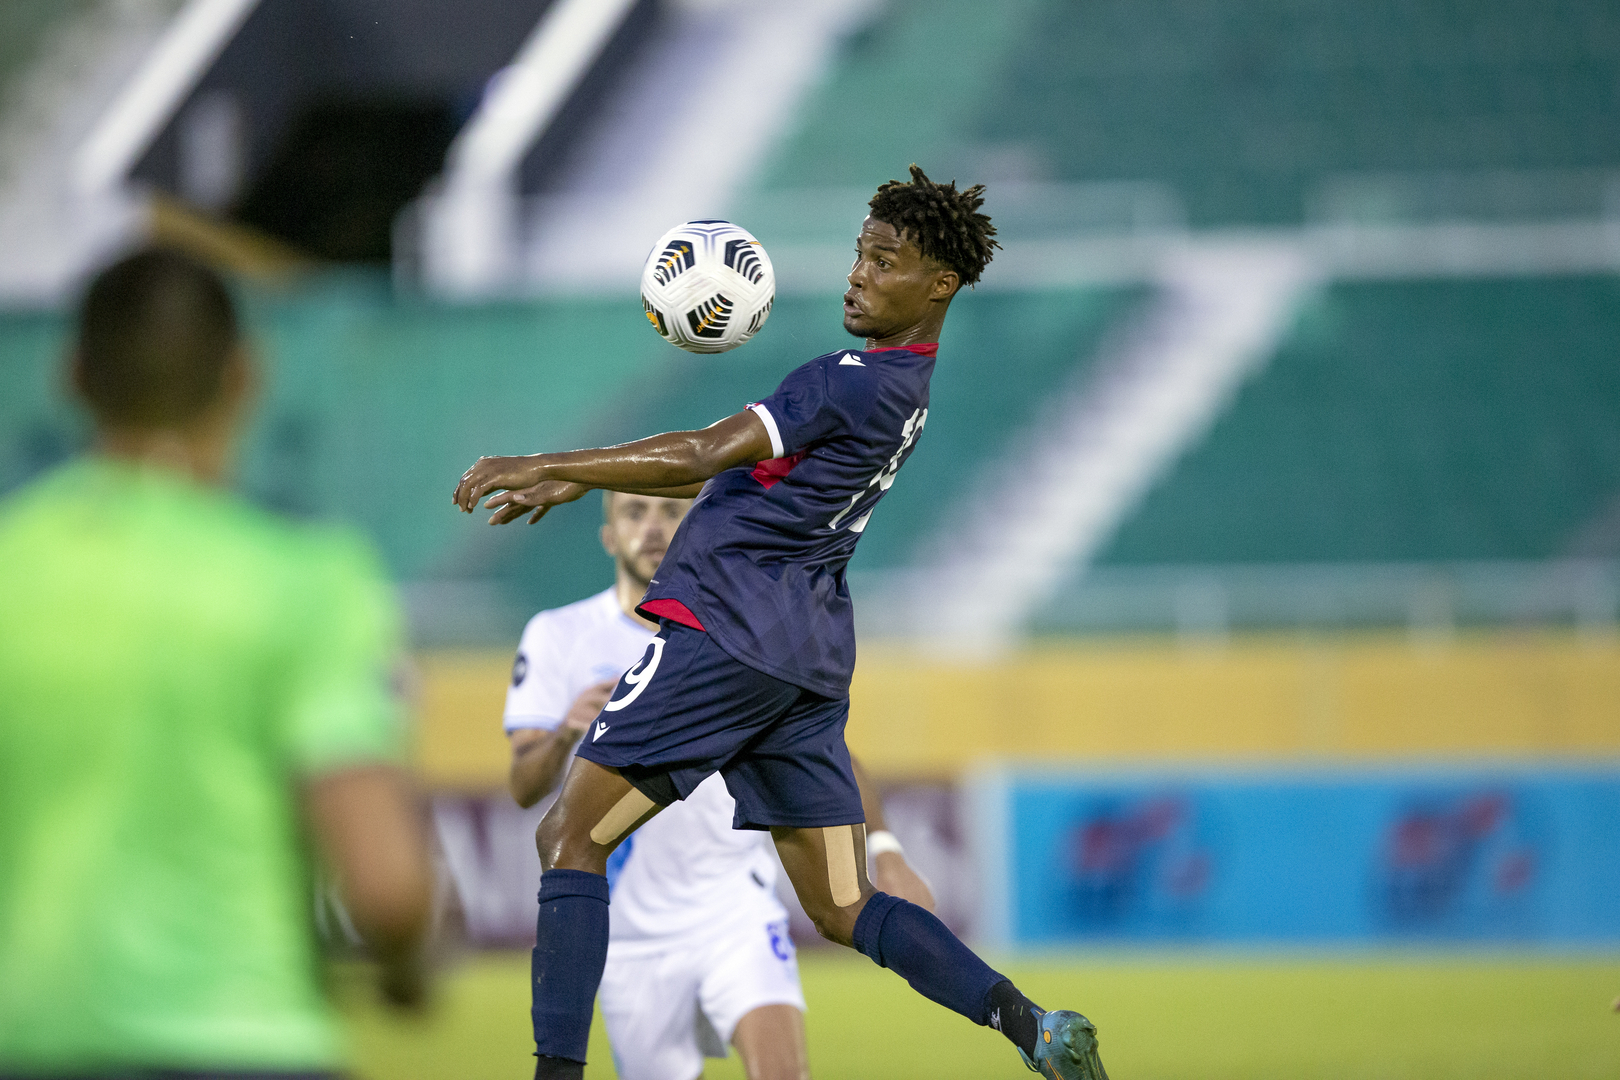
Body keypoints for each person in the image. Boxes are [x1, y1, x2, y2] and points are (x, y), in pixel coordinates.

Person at [455, 166, 1107, 1080]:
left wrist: (539, 459)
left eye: (885, 261)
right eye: (859, 254)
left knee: (570, 837)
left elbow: (695, 450)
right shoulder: (905, 388)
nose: (857, 275)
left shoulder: (848, 378)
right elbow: (716, 475)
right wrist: (589, 479)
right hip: (804, 655)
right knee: (844, 906)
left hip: (725, 625)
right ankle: (1025, 1021)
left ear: (940, 285)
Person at [0, 248, 434, 1079]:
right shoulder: (307, 582)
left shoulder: (11, 570)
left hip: (31, 1041)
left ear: (73, 376)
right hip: (245, 1038)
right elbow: (385, 885)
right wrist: (406, 972)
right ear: (244, 376)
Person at [504, 488, 936, 1080]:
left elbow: (826, 755)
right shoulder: (558, 635)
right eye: (634, 513)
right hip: (632, 939)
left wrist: (884, 850)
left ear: (695, 528)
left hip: (735, 909)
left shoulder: (736, 626)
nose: (652, 528)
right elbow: (524, 786)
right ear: (608, 535)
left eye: (669, 513)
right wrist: (562, 733)